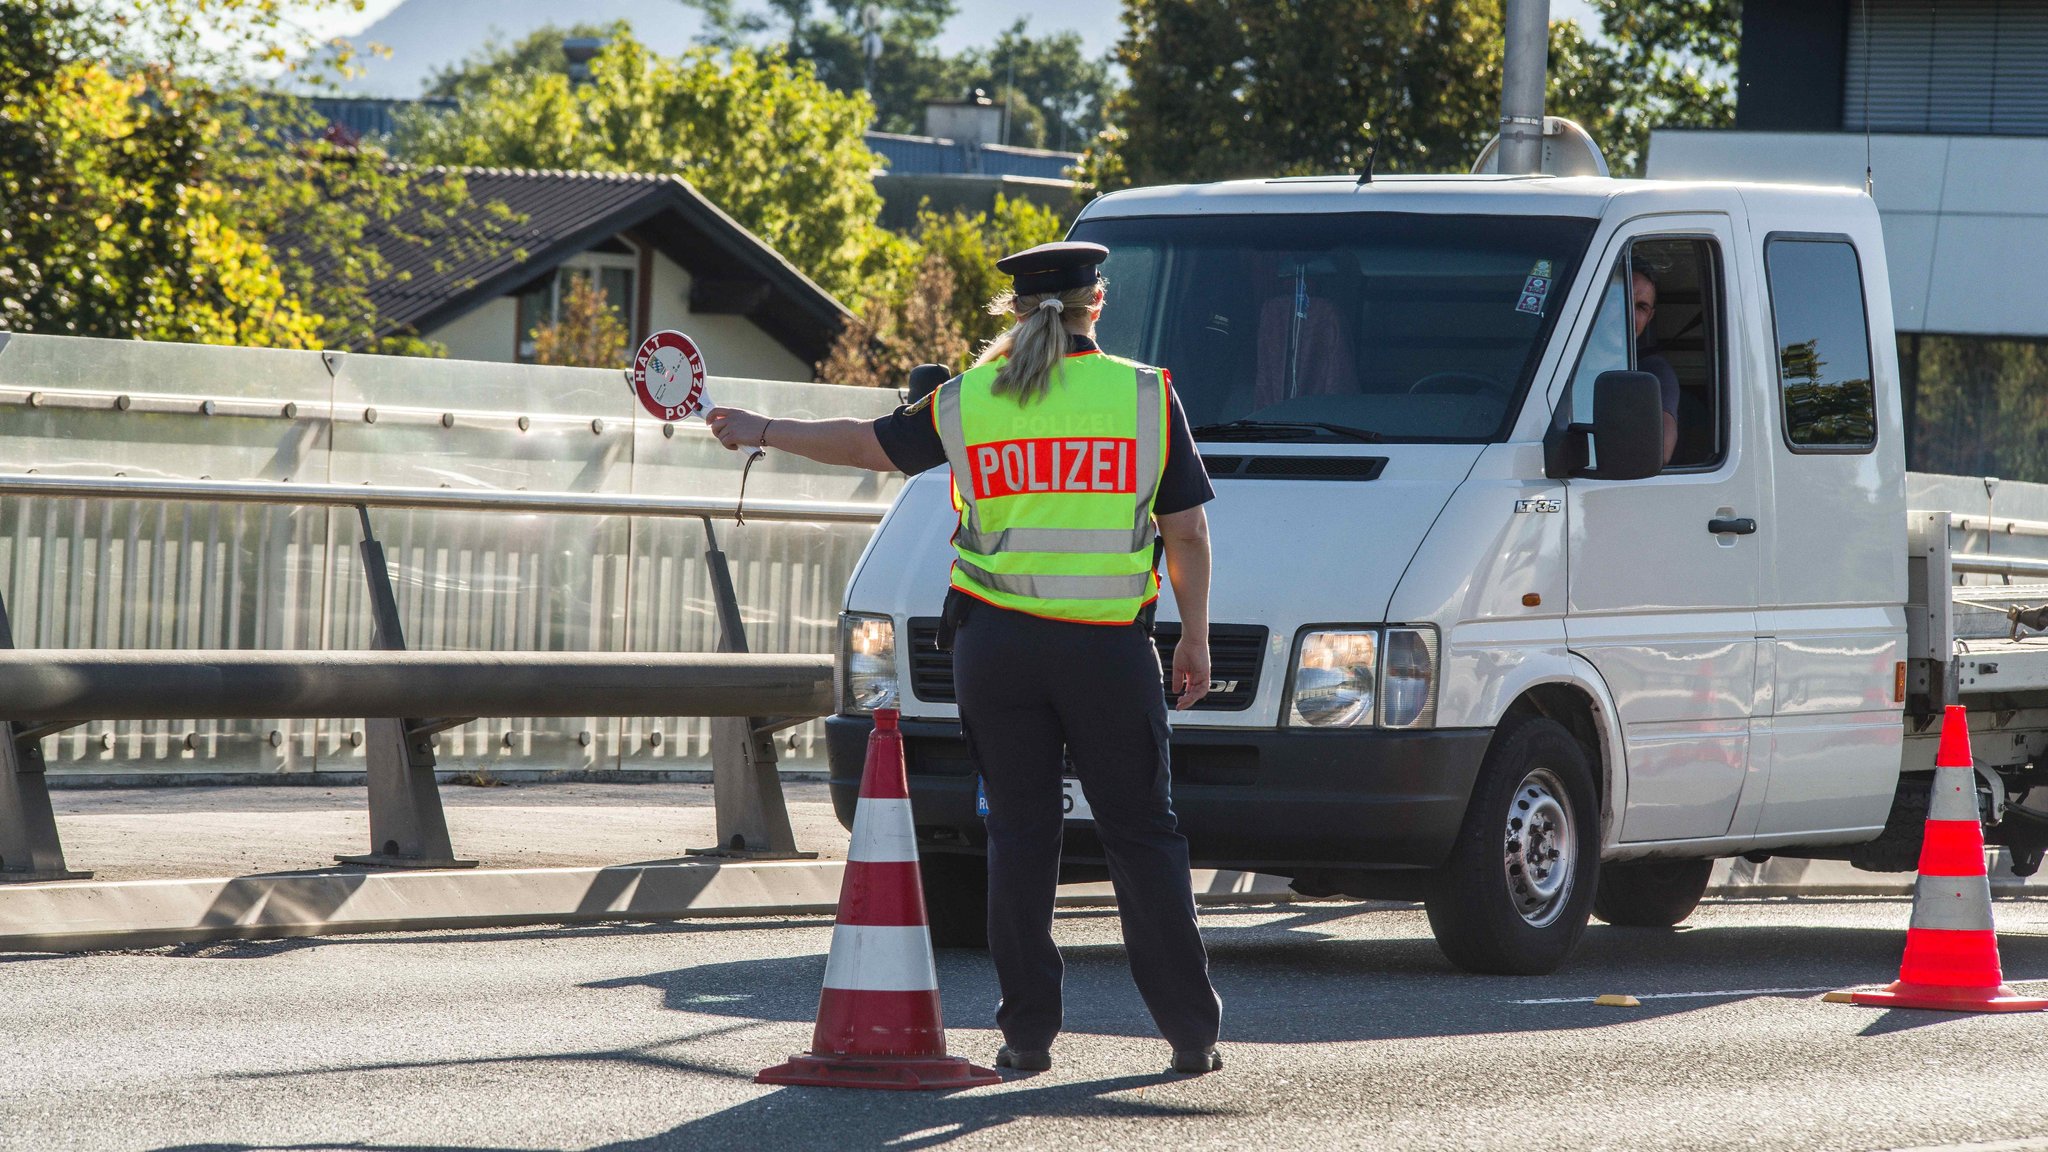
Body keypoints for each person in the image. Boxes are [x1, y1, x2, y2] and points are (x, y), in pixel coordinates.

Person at [705, 241, 1226, 1076]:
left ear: (1016, 311)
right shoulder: (1144, 394)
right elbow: (1188, 531)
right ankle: (1190, 1034)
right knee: (1142, 836)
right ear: (1099, 304)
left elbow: (869, 444)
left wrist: (760, 428)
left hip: (998, 650)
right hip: (1106, 653)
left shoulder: (971, 397)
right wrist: (1194, 637)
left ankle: (1026, 1035)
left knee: (1021, 836)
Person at [1631, 269, 1680, 465]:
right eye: (1619, 298)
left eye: (1641, 307)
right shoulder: (1563, 356)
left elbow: (1659, 452)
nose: (1629, 314)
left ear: (1650, 317)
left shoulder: (1653, 372)